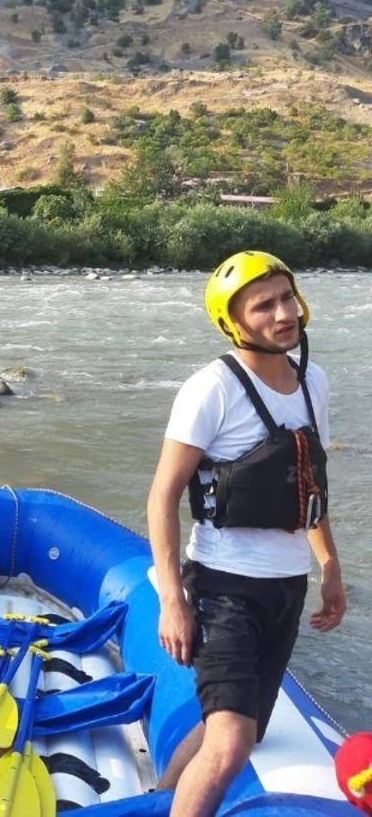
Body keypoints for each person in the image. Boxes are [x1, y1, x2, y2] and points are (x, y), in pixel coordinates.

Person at [146, 251, 346, 817]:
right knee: (231, 742)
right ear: (233, 322)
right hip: (224, 587)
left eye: (287, 298)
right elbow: (162, 497)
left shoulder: (315, 384)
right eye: (264, 305)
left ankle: (163, 796)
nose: (283, 313)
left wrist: (330, 566)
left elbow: (310, 486)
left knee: (243, 732)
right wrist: (172, 601)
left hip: (287, 586)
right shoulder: (211, 389)